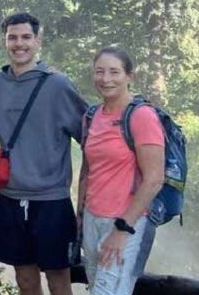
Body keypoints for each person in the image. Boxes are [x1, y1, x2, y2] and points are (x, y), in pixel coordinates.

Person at [0, 13, 88, 295]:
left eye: (25, 37)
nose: (19, 44)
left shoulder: (58, 85)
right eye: (12, 38)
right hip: (9, 197)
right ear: (5, 41)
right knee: (25, 279)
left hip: (51, 200)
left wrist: (88, 197)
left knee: (58, 279)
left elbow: (91, 139)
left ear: (38, 41)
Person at [77, 48, 164, 295]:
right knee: (96, 289)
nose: (106, 79)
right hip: (93, 220)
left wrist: (122, 229)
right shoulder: (92, 116)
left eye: (114, 72)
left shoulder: (141, 116)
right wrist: (80, 216)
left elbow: (154, 179)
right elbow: (88, 171)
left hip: (126, 222)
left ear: (129, 77)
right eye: (100, 72)